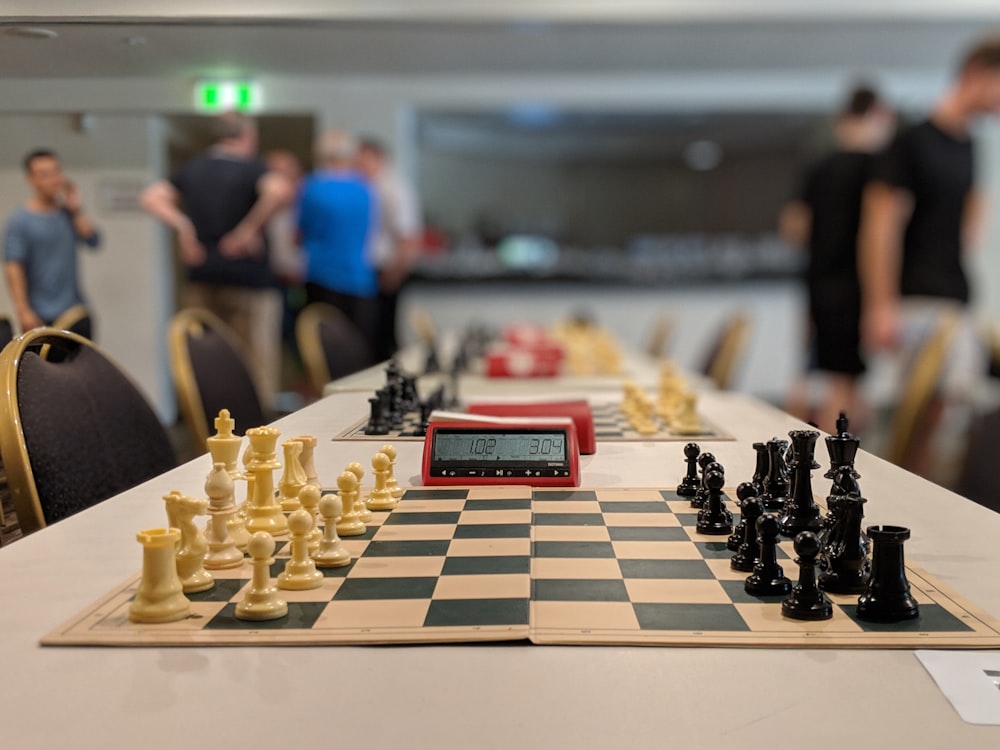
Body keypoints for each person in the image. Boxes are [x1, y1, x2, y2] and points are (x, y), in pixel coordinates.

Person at [858, 36, 1000, 473]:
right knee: (915, 428)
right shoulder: (912, 141)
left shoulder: (969, 145)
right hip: (915, 303)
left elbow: (968, 224)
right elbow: (880, 227)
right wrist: (880, 306)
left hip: (954, 300)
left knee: (950, 425)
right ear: (978, 74)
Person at [141, 112, 292, 407]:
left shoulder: (193, 169)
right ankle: (256, 436)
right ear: (248, 135)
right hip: (249, 281)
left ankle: (211, 432)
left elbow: (150, 197)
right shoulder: (253, 168)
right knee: (255, 365)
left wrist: (183, 227)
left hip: (203, 276)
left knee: (209, 362)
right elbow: (279, 191)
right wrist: (248, 230)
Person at [780, 86, 894, 433]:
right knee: (846, 388)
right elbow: (882, 236)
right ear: (879, 114)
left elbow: (793, 227)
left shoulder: (819, 167)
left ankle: (839, 465)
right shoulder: (880, 169)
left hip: (819, 286)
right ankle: (836, 471)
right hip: (856, 288)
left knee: (828, 379)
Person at [297, 129, 378, 360]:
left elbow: (300, 231)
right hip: (360, 278)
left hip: (323, 276)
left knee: (324, 354)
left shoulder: (312, 187)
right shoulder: (365, 188)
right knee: (358, 351)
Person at [3, 149, 101, 338]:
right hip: (42, 315)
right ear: (31, 179)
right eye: (44, 174)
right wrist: (23, 310)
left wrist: (76, 207)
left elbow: (94, 240)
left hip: (76, 312)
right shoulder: (20, 221)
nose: (53, 179)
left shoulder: (68, 214)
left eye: (56, 171)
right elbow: (13, 267)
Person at [356, 137, 423, 361]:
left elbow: (408, 237)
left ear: (379, 159)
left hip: (386, 270)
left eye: (363, 160)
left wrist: (393, 275)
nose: (358, 166)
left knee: (382, 337)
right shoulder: (362, 188)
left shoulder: (394, 189)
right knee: (366, 336)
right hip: (366, 270)